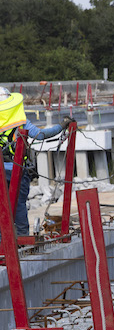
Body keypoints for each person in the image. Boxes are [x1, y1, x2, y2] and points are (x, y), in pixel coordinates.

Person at [0, 89, 72, 236]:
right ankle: (22, 237)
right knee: (19, 204)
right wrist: (62, 126)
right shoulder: (21, 123)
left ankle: (2, 242)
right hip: (18, 170)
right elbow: (41, 135)